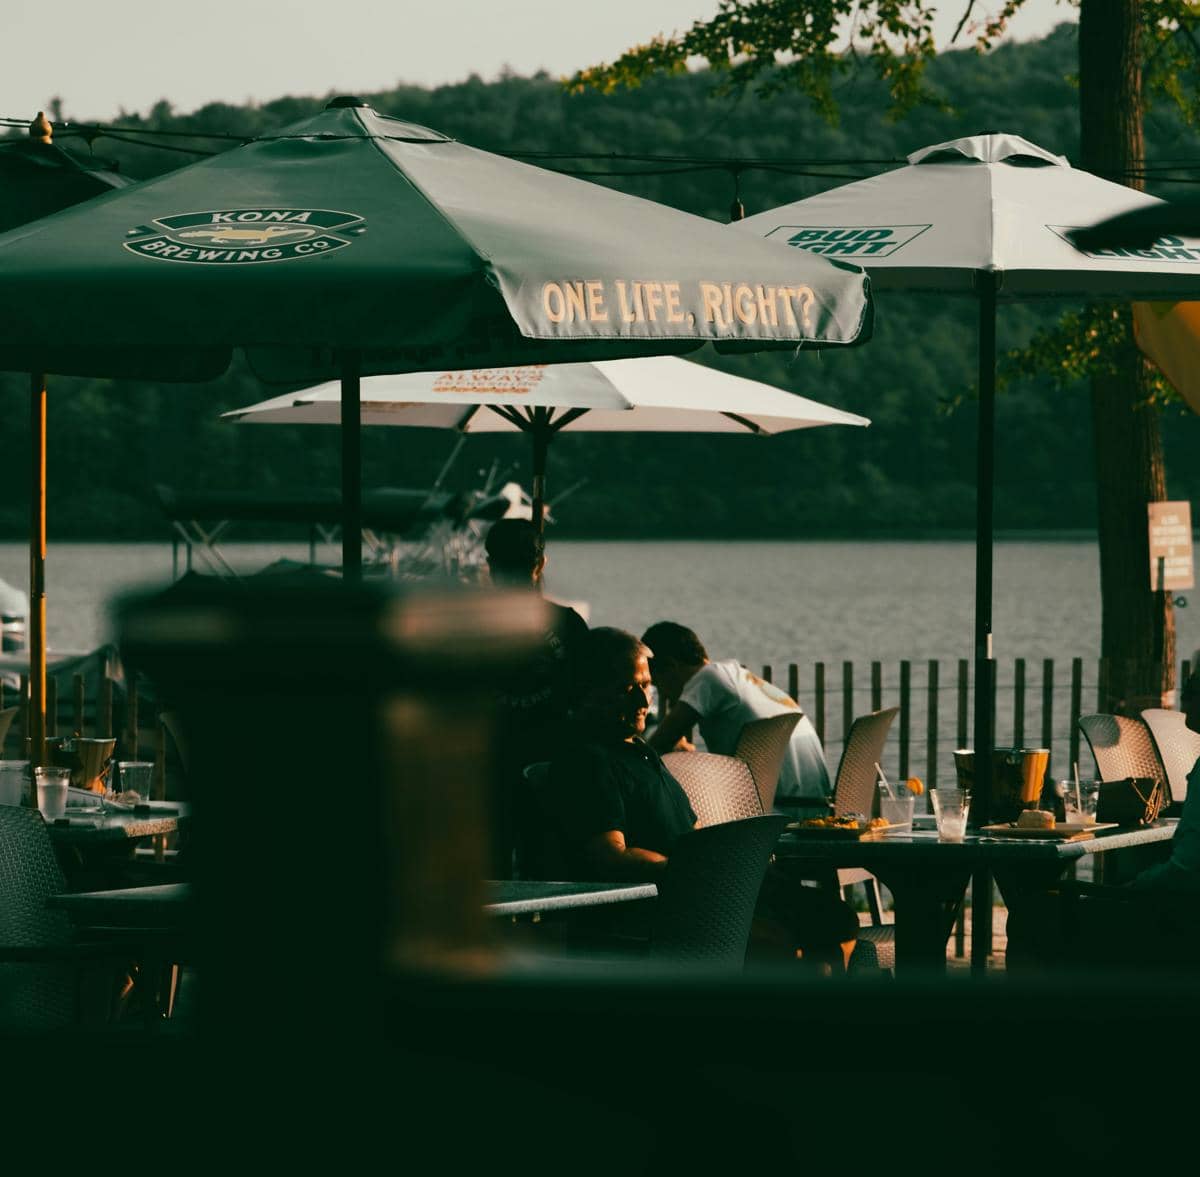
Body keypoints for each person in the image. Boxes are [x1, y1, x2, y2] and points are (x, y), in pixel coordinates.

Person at [541, 627, 859, 968]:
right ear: (587, 691)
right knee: (785, 940)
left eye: (646, 686)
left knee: (834, 918)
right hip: (668, 908)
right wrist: (693, 871)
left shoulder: (638, 751)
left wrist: (728, 863)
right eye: (626, 689)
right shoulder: (588, 759)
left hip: (704, 888)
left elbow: (693, 829)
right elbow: (609, 854)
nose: (643, 701)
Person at [484, 518, 588, 877]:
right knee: (544, 867)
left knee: (489, 869)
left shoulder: (467, 624)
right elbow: (585, 698)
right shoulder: (570, 626)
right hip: (552, 766)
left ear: (490, 566)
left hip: (486, 764)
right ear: (541, 563)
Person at [639, 621, 831, 808]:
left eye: (656, 683)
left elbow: (655, 747)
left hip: (774, 810)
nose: (662, 695)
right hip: (814, 808)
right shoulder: (737, 676)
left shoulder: (708, 678)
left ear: (671, 667)